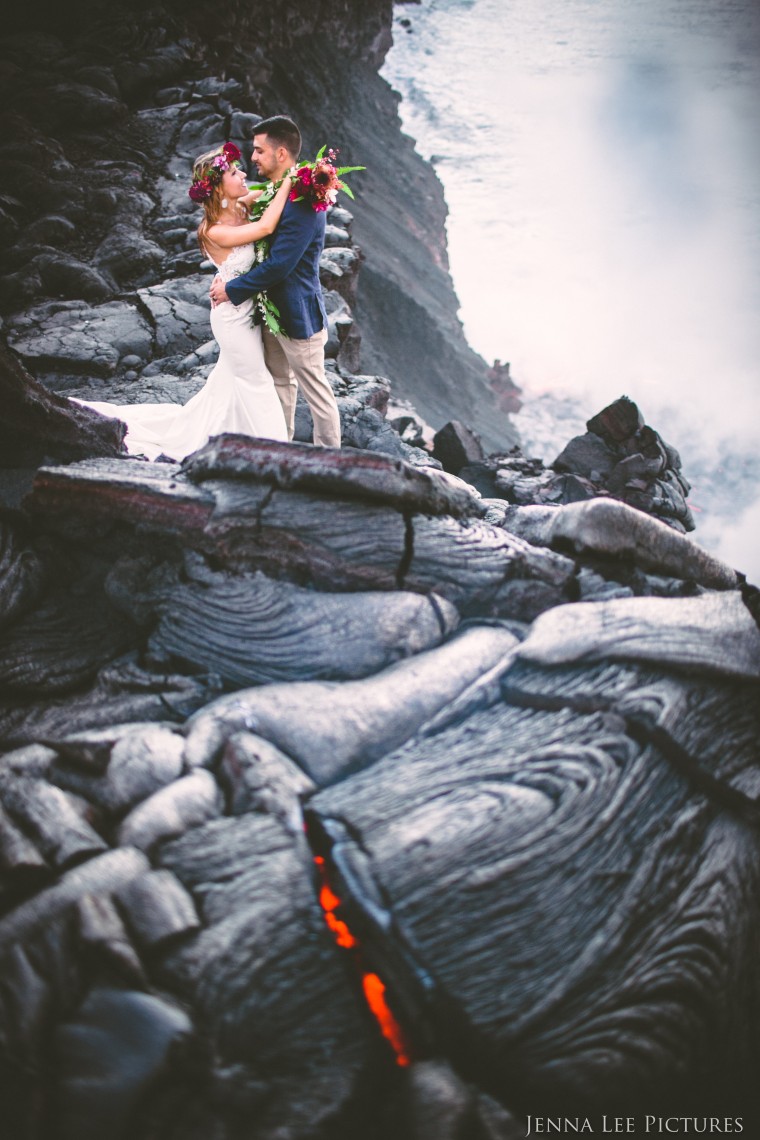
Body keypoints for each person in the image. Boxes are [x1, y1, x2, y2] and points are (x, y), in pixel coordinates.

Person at [73, 142, 291, 461]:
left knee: (229, 386)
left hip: (244, 305)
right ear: (218, 188)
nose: (243, 173)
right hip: (232, 318)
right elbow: (266, 226)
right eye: (234, 171)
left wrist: (300, 176)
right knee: (256, 381)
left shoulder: (241, 202)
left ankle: (228, 440)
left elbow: (270, 191)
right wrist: (288, 183)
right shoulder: (214, 230)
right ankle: (277, 452)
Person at [209, 115, 342, 449]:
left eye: (258, 151)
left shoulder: (304, 201)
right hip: (269, 313)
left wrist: (232, 289)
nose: (251, 158)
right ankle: (281, 449)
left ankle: (332, 459)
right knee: (280, 384)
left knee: (317, 393)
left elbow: (281, 265)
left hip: (298, 314)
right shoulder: (275, 191)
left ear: (281, 154)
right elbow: (252, 228)